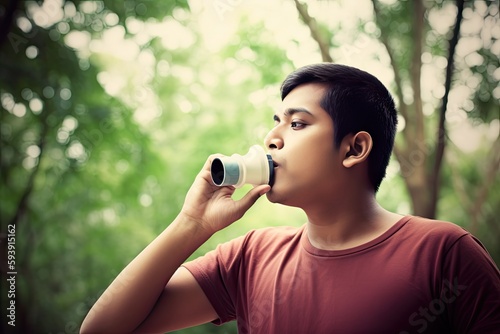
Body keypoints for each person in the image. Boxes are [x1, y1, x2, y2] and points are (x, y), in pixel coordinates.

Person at [80, 63, 500, 334]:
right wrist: (192, 224)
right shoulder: (250, 257)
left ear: (354, 149)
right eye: (275, 122)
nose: (271, 138)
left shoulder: (445, 253)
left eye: (297, 124)